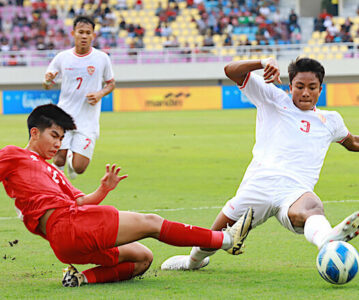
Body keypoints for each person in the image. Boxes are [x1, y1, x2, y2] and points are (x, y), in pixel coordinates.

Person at [0, 104, 253, 287]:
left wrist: (103, 190)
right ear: (34, 133)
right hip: (68, 225)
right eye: (54, 136)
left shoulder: (53, 171)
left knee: (144, 258)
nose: (59, 144)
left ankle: (79, 278)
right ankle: (226, 240)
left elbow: (80, 201)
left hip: (67, 242)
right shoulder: (14, 155)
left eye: (62, 138)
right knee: (151, 222)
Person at [161, 57, 359, 271]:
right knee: (215, 236)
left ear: (321, 89)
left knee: (312, 207)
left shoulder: (331, 120)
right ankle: (192, 262)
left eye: (312, 87)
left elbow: (353, 142)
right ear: (290, 85)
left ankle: (327, 241)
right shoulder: (272, 97)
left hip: (295, 192)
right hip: (257, 188)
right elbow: (231, 71)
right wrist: (263, 62)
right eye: (299, 86)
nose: (305, 93)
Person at [42, 15, 115, 180]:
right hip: (64, 116)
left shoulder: (102, 58)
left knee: (79, 168)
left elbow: (111, 83)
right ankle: (59, 194)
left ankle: (71, 161)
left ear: (93, 35)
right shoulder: (62, 57)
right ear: (73, 33)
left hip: (88, 121)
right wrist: (47, 80)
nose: (84, 36)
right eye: (80, 32)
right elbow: (47, 84)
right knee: (58, 158)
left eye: (88, 33)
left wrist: (99, 94)